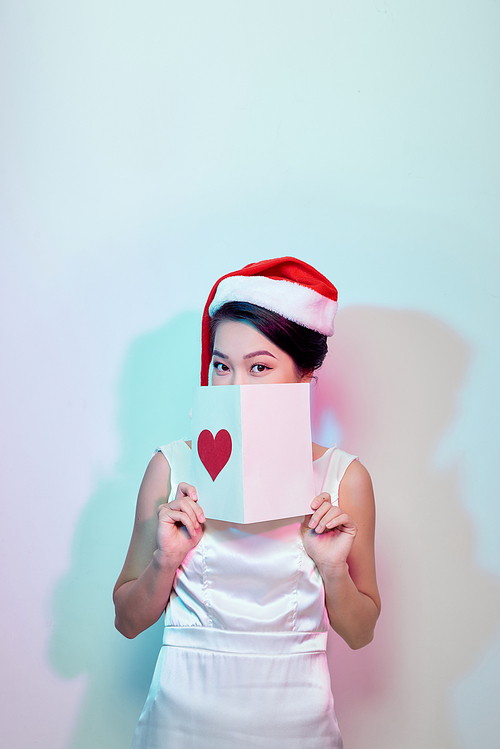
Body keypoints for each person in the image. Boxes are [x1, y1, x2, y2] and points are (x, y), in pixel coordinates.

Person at [114, 257, 381, 749]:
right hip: (182, 723)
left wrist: (333, 570)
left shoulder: (345, 479)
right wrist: (165, 559)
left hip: (296, 725)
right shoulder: (171, 468)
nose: (235, 387)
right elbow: (127, 622)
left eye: (259, 367)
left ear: (303, 376)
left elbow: (361, 632)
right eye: (222, 366)